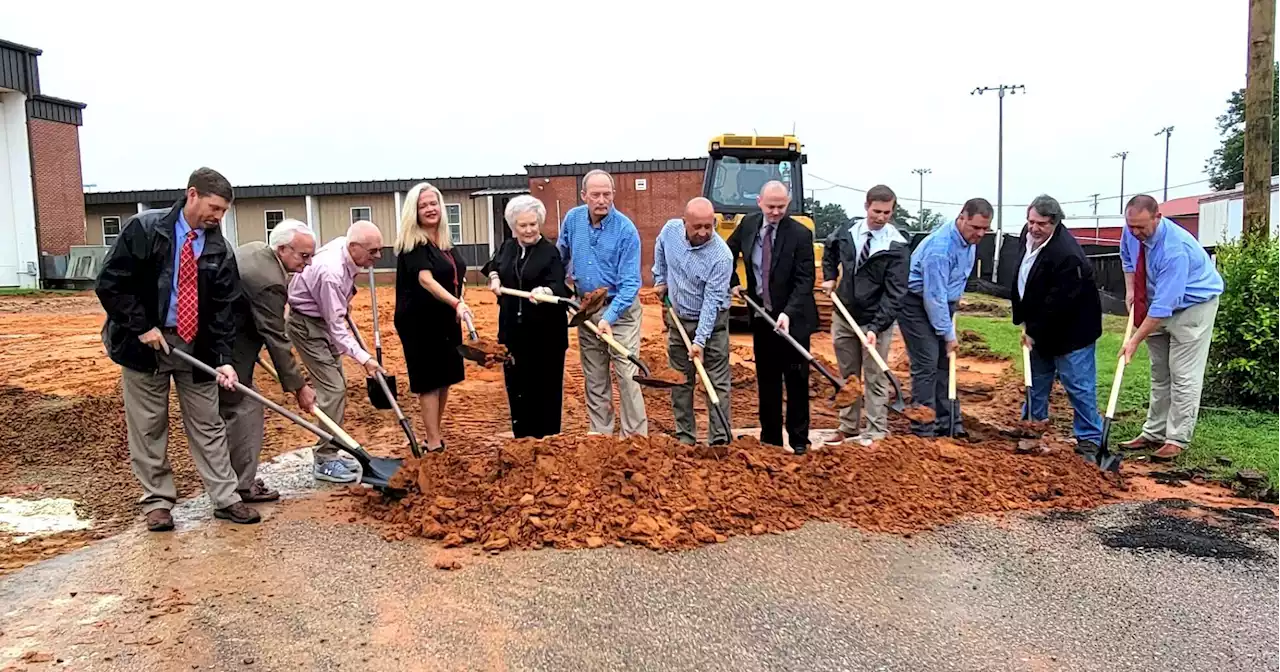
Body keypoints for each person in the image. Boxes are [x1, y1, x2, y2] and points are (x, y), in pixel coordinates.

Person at [95, 167, 259, 531]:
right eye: (214, 207)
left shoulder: (217, 246)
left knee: (208, 423)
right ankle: (157, 503)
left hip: (195, 346)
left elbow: (223, 308)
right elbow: (111, 285)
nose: (217, 217)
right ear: (192, 195)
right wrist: (142, 326)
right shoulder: (145, 229)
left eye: (223, 211)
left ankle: (225, 497)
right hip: (144, 345)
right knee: (149, 425)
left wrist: (224, 360)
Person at [218, 220, 319, 503]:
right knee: (245, 410)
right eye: (303, 256)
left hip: (226, 338)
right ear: (283, 249)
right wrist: (299, 387)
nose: (308, 263)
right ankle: (241, 485)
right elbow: (277, 338)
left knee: (227, 414)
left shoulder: (254, 249)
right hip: (228, 348)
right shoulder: (270, 282)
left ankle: (231, 479)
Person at [1118, 194, 1224, 461]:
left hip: (1193, 306)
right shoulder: (1131, 229)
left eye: (1141, 227)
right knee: (1160, 371)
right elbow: (1128, 261)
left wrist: (1133, 340)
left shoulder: (1174, 249)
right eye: (1131, 226)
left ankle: (1176, 438)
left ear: (1158, 217)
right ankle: (1153, 432)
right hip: (1156, 300)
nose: (1135, 232)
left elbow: (1164, 308)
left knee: (1183, 373)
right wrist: (1131, 292)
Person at [287, 220, 387, 481]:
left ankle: (332, 449)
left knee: (337, 385)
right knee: (333, 388)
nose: (378, 257)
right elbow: (337, 329)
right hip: (308, 326)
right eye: (372, 251)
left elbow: (335, 315)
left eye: (380, 249)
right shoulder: (331, 272)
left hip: (322, 318)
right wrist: (365, 359)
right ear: (353, 246)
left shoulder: (346, 253)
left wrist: (343, 302)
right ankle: (324, 460)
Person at [726, 180, 819, 455]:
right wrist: (733, 281)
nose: (776, 212)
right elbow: (726, 252)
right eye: (771, 206)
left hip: (794, 321)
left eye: (781, 206)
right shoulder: (748, 225)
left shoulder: (800, 235)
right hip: (763, 318)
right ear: (759, 202)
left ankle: (799, 441)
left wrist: (788, 313)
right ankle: (770, 441)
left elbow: (805, 280)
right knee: (767, 382)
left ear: (787, 204)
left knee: (796, 381)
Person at [1009, 195, 1104, 460]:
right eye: (1031, 222)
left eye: (1042, 224)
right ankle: (1032, 427)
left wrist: (1033, 331)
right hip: (1040, 324)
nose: (1034, 228)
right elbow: (1024, 277)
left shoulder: (1067, 255)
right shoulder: (1026, 236)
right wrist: (1026, 321)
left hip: (1072, 331)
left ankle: (1089, 438)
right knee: (1036, 380)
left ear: (1055, 223)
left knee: (1078, 384)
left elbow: (1058, 304)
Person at [556, 169, 648, 437]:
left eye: (607, 194)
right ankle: (600, 434)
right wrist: (561, 292)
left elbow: (631, 283)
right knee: (595, 376)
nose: (602, 200)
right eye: (595, 195)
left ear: (613, 195)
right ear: (584, 196)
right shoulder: (573, 220)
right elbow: (560, 258)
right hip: (587, 310)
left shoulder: (626, 230)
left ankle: (634, 438)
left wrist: (610, 318)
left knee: (627, 372)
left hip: (620, 309)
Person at [820, 184, 909, 446]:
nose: (881, 217)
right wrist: (829, 277)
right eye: (876, 211)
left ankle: (876, 430)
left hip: (875, 320)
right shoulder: (848, 232)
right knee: (848, 376)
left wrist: (876, 326)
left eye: (887, 212)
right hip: (844, 313)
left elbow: (896, 293)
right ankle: (848, 426)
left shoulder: (897, 245)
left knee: (874, 375)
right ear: (866, 206)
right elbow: (829, 250)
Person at [900, 198, 993, 438]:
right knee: (928, 364)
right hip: (915, 303)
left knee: (945, 363)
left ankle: (949, 423)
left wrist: (954, 307)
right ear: (961, 217)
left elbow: (955, 283)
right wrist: (948, 334)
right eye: (975, 227)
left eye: (985, 228)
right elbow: (934, 297)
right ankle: (924, 427)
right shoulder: (940, 249)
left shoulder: (969, 241)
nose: (980, 233)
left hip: (941, 302)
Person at [482, 195, 571, 438]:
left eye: (533, 224)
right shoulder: (507, 247)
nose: (529, 230)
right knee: (518, 388)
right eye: (523, 225)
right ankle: (522, 440)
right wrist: (495, 278)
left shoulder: (549, 252)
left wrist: (546, 291)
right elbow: (493, 265)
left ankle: (547, 441)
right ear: (514, 226)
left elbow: (559, 285)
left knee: (545, 389)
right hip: (513, 333)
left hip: (545, 336)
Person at [394, 182, 471, 452]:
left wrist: (459, 300)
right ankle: (434, 442)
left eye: (433, 203)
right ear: (413, 211)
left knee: (446, 376)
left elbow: (456, 275)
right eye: (423, 205)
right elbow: (425, 281)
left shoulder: (445, 243)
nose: (429, 209)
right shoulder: (413, 245)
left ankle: (432, 434)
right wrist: (455, 303)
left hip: (446, 317)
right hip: (419, 321)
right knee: (429, 380)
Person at [653, 197, 735, 445]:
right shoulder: (670, 231)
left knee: (717, 384)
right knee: (680, 382)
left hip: (713, 324)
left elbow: (711, 302)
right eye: (697, 226)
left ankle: (719, 441)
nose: (703, 232)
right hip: (678, 318)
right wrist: (660, 277)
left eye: (708, 226)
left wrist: (700, 341)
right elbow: (659, 247)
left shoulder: (721, 257)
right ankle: (685, 438)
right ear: (684, 222)